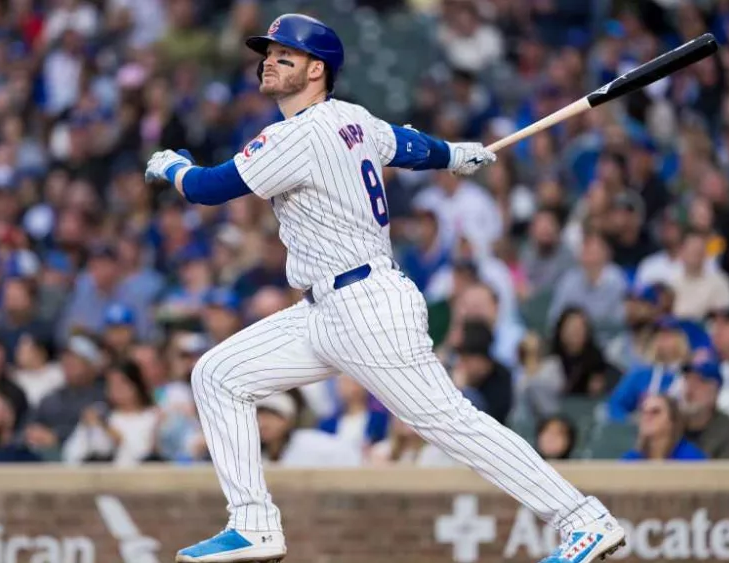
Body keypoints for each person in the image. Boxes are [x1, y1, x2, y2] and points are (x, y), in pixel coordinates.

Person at [146, 13, 625, 563]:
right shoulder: (352, 119)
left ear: (317, 69)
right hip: (325, 309)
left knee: (450, 423)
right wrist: (452, 152)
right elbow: (406, 144)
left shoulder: (297, 134)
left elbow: (208, 188)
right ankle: (254, 525)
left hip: (366, 308)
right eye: (268, 52)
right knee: (217, 375)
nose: (269, 60)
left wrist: (172, 165)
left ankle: (583, 519)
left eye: (285, 54)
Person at [679, 361, 729, 460]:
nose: (690, 389)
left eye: (699, 382)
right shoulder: (672, 428)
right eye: (687, 380)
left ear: (715, 390)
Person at [621, 395, 707, 461]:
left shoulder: (691, 458)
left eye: (655, 412)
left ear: (672, 421)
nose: (647, 417)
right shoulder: (632, 459)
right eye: (644, 412)